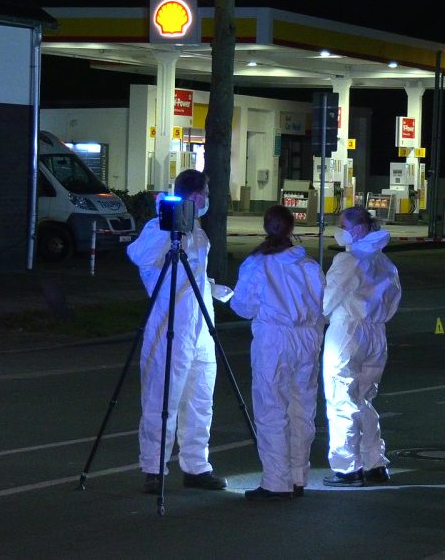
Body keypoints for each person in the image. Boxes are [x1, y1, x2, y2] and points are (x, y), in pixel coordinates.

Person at [127, 169, 227, 494]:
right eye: (207, 193)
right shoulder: (160, 226)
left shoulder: (197, 231)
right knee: (163, 398)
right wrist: (167, 225)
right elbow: (139, 256)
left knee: (200, 399)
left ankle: (196, 466)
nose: (209, 199)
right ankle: (154, 469)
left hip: (200, 326)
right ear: (196, 195)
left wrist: (214, 289)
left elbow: (194, 275)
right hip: (169, 325)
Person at [230, 205, 325, 501]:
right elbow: (324, 305)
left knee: (272, 408)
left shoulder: (257, 264)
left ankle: (276, 482)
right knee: (302, 409)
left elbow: (243, 307)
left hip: (274, 340)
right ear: (291, 228)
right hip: (306, 340)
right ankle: (298, 476)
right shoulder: (308, 264)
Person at [321, 206, 402, 487]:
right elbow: (393, 301)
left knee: (341, 397)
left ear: (356, 229)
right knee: (365, 399)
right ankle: (374, 463)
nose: (338, 229)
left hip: (348, 331)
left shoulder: (348, 260)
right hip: (376, 334)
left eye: (341, 224)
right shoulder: (385, 263)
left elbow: (326, 301)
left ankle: (347, 467)